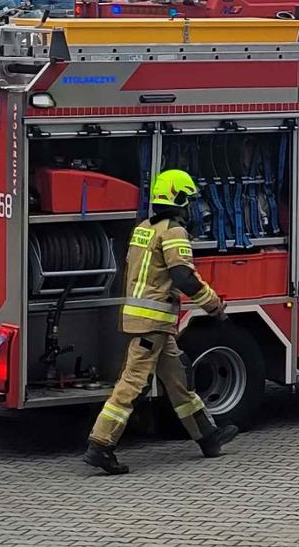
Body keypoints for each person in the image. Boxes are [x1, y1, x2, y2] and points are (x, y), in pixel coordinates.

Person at [82, 169, 239, 476]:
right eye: (188, 200)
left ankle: (208, 437)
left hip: (151, 323)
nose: (190, 207)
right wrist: (214, 306)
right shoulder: (173, 232)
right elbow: (184, 278)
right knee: (131, 384)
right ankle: (100, 445)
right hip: (152, 324)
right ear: (178, 198)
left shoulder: (144, 227)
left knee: (178, 381)